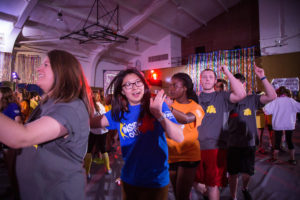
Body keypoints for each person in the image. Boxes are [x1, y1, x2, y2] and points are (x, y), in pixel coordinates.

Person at [0, 49, 93, 200]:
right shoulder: (48, 104)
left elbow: (22, 137)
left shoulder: (71, 107)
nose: (38, 68)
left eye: (46, 64)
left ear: (62, 71)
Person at [90, 68, 184, 200]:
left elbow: (179, 137)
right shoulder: (118, 113)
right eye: (128, 84)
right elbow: (90, 123)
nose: (134, 87)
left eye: (138, 82)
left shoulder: (157, 106)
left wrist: (159, 115)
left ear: (144, 85)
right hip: (130, 180)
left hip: (155, 180)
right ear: (122, 91)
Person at [194, 65, 246, 200]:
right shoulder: (194, 98)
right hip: (194, 148)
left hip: (215, 148)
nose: (207, 79)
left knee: (213, 185)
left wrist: (227, 72)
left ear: (215, 80)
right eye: (204, 77)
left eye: (210, 77)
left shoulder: (222, 97)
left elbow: (241, 94)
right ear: (200, 80)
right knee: (196, 183)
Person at [227, 66, 277, 200]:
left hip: (249, 143)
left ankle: (244, 188)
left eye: (237, 84)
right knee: (232, 173)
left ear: (243, 85)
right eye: (232, 84)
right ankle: (233, 197)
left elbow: (272, 96)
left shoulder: (252, 99)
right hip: (231, 144)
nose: (234, 87)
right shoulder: (227, 100)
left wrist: (262, 77)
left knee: (247, 172)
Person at [166, 73, 204, 200]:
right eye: (170, 85)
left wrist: (168, 108)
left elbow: (186, 118)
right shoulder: (168, 104)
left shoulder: (196, 107)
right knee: (178, 194)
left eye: (174, 85)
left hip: (188, 155)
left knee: (182, 195)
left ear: (185, 88)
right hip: (171, 154)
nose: (170, 88)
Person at [264, 86, 300, 165]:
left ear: (278, 93)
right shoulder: (291, 101)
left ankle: (275, 158)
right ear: (287, 93)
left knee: (277, 141)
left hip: (278, 124)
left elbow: (266, 110)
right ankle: (292, 159)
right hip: (289, 124)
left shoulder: (276, 101)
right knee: (289, 141)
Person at [0, 86, 22, 199]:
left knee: (11, 168)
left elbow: (18, 122)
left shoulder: (12, 106)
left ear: (5, 94)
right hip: (4, 140)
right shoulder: (2, 106)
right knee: (8, 167)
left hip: (10, 141)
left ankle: (16, 191)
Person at [84, 94, 111, 179]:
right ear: (99, 98)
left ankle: (87, 172)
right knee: (103, 150)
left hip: (93, 131)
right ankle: (108, 169)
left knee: (89, 150)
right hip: (102, 131)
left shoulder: (90, 107)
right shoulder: (103, 106)